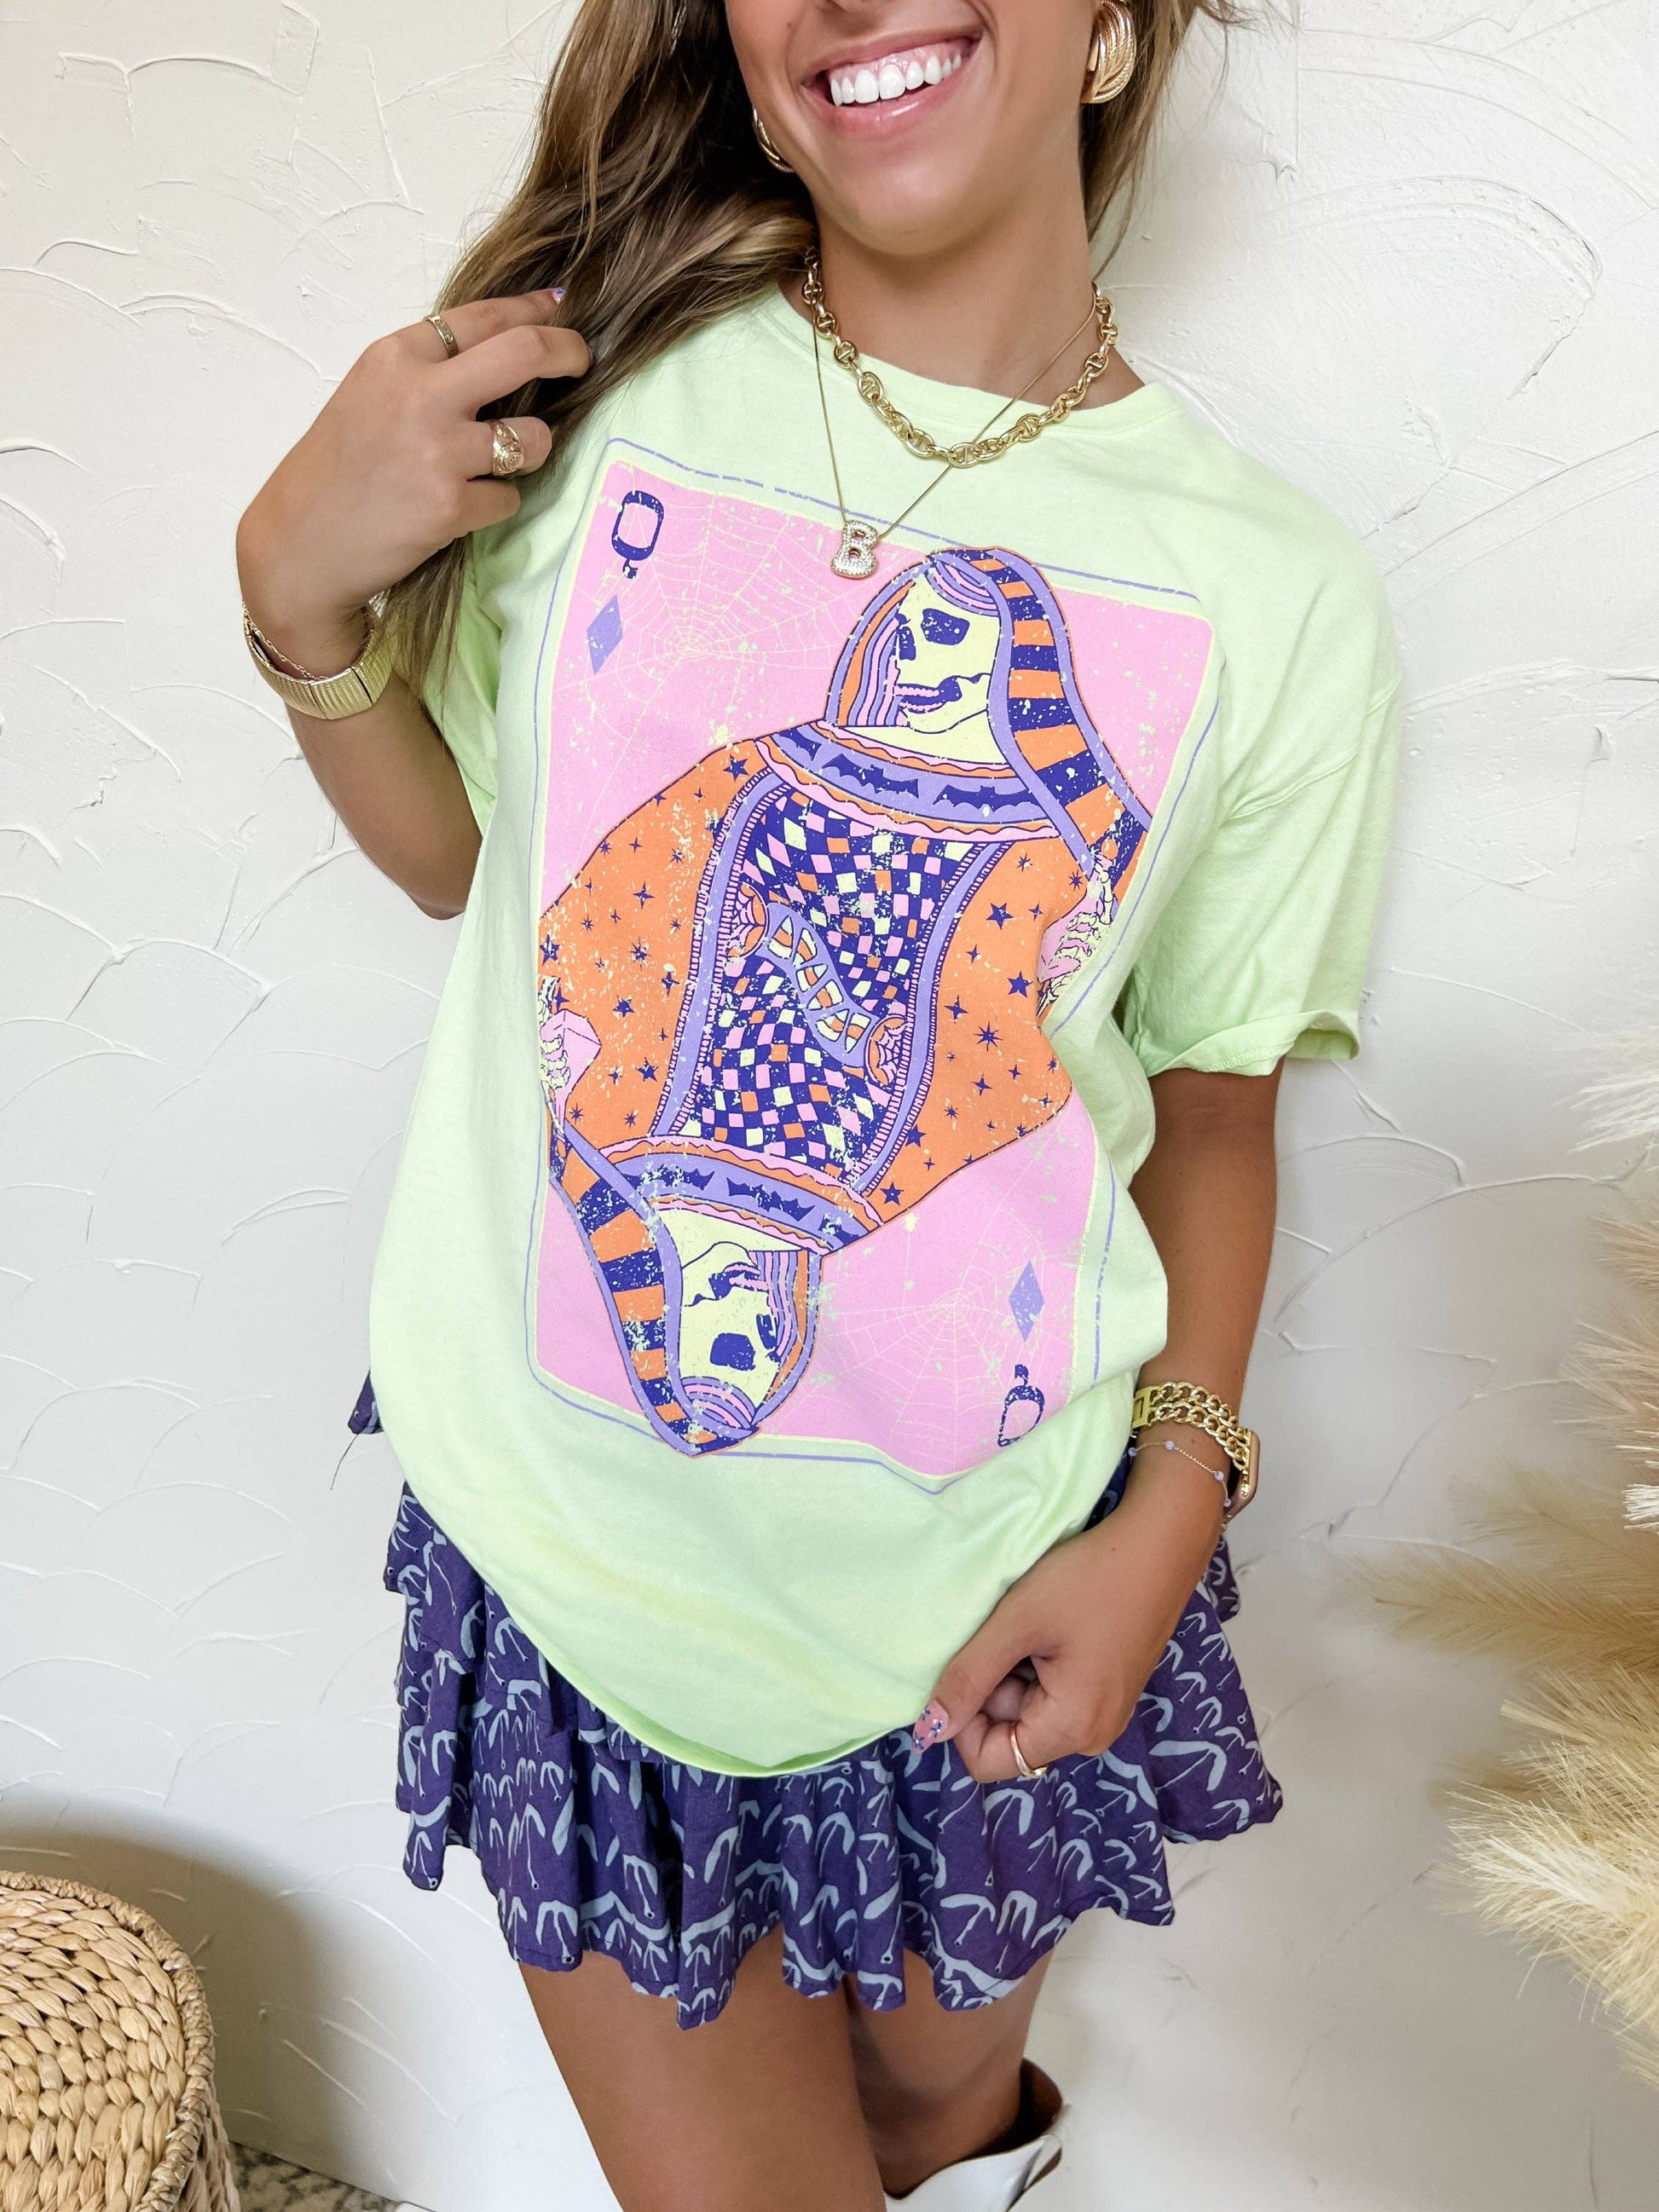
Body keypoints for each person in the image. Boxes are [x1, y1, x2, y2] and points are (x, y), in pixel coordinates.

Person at [235, 3, 1401, 2206]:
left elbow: (1212, 1105)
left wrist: (1168, 1514)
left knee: (941, 2118)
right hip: (583, 1569)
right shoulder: (598, 412)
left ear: (1112, 31)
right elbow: (495, 878)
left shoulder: (1275, 592)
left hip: (999, 1575)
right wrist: (293, 598)